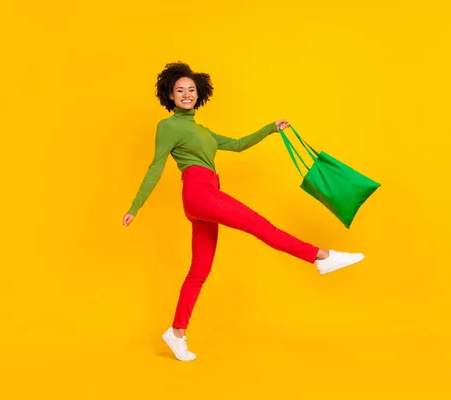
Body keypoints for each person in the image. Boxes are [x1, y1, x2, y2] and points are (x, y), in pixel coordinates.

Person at [123, 62, 365, 361]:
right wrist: (136, 206)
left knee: (199, 271)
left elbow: (237, 145)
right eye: (179, 91)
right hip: (200, 192)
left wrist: (269, 129)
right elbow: (156, 165)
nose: (186, 95)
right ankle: (321, 256)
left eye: (191, 90)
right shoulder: (168, 126)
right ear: (170, 96)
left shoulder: (203, 131)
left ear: (199, 95)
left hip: (204, 197)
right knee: (257, 224)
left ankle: (176, 333)